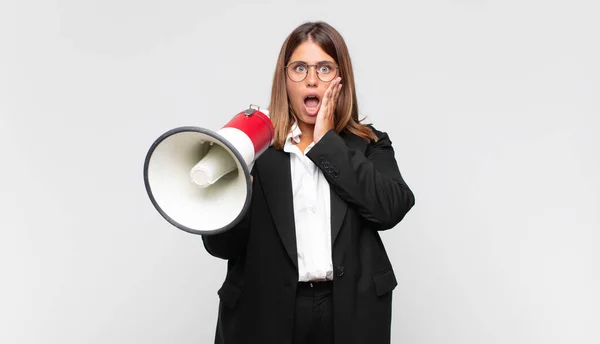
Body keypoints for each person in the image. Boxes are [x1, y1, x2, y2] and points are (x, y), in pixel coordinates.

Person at [202, 21, 415, 344]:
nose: (312, 80)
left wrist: (328, 142)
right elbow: (221, 247)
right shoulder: (254, 148)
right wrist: (236, 182)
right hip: (266, 310)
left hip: (348, 311)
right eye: (300, 68)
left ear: (341, 79)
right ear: (284, 78)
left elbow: (390, 209)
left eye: (325, 68)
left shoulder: (369, 144)